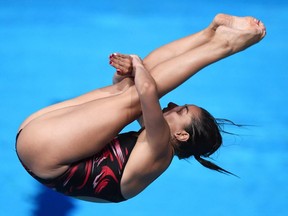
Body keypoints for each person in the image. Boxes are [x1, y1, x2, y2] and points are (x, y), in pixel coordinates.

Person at [16, 14, 266, 203]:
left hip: (45, 151)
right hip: (40, 150)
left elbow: (147, 91)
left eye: (181, 111)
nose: (172, 105)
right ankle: (209, 33)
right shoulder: (151, 142)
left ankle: (226, 45)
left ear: (181, 135)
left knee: (135, 95)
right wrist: (128, 73)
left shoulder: (160, 149)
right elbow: (132, 90)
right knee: (126, 90)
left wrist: (136, 63)